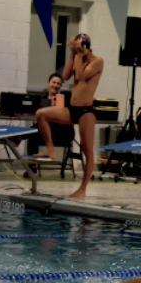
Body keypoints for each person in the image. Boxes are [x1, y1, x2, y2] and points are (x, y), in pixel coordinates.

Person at [33, 34, 104, 197]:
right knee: (41, 114)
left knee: (87, 151)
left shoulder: (97, 61)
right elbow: (65, 75)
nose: (79, 50)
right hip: (72, 108)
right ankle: (50, 149)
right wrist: (72, 53)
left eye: (81, 47)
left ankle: (83, 189)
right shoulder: (78, 57)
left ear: (87, 46)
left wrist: (78, 54)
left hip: (86, 111)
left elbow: (80, 76)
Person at [25, 73, 76, 158]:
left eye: (58, 84)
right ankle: (32, 167)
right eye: (53, 82)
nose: (55, 85)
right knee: (33, 134)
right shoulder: (41, 100)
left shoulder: (66, 100)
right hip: (45, 132)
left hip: (62, 132)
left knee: (35, 130)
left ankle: (19, 136)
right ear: (48, 83)